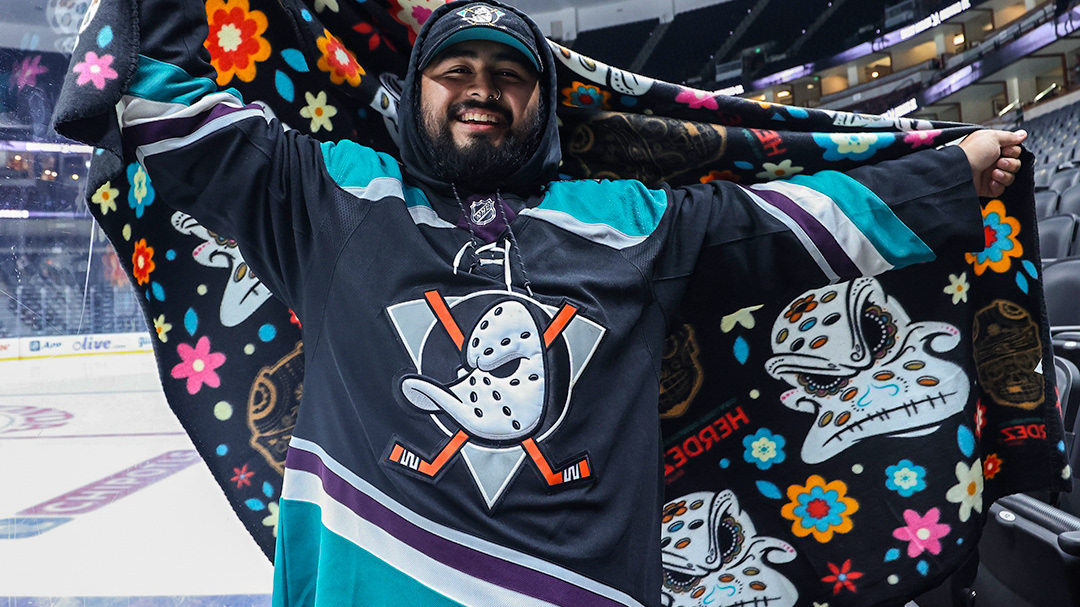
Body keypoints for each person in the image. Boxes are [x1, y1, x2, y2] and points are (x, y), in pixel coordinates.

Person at [113, 0, 1026, 604]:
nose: (481, 89)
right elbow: (165, 101)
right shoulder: (332, 198)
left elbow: (786, 224)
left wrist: (951, 173)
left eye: (509, 74)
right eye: (455, 69)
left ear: (543, 105)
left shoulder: (628, 220)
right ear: (412, 94)